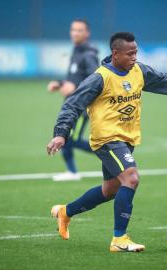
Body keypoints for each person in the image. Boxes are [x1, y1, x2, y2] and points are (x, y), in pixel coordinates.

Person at [47, 32, 167, 252]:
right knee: (131, 178)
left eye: (136, 52)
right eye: (130, 53)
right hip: (107, 138)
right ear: (115, 53)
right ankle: (120, 239)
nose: (134, 56)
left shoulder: (139, 71)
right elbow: (72, 104)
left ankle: (65, 212)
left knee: (110, 190)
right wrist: (61, 133)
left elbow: (166, 81)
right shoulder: (100, 78)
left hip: (127, 138)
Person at [47, 19, 99, 181]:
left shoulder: (89, 55)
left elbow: (95, 79)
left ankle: (111, 151)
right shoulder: (76, 51)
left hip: (81, 107)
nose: (75, 33)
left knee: (69, 139)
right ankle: (71, 172)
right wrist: (60, 84)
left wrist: (74, 86)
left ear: (87, 33)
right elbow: (74, 78)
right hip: (71, 104)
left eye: (79, 30)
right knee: (66, 137)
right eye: (73, 30)